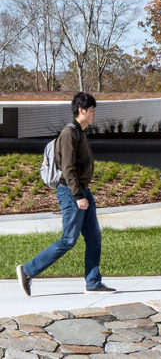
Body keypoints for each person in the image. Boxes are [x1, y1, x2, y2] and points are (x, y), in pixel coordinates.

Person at [16, 92, 115, 296]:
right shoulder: (70, 133)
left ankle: (93, 283)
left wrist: (83, 193)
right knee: (69, 239)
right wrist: (78, 196)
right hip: (71, 193)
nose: (94, 115)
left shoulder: (81, 132)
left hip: (83, 191)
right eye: (92, 111)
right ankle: (27, 270)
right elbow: (67, 168)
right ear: (82, 111)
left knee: (94, 238)